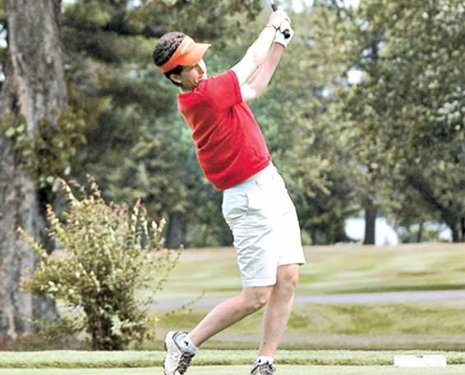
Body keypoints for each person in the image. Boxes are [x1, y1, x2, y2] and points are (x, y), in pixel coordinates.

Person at [152, 9, 306, 375]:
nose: (200, 67)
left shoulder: (214, 92)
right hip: (247, 198)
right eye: (190, 66)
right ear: (176, 77)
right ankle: (184, 343)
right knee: (256, 295)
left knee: (288, 277)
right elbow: (250, 61)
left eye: (199, 59)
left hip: (270, 183)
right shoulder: (201, 97)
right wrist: (271, 26)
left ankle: (264, 362)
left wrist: (280, 43)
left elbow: (255, 86)